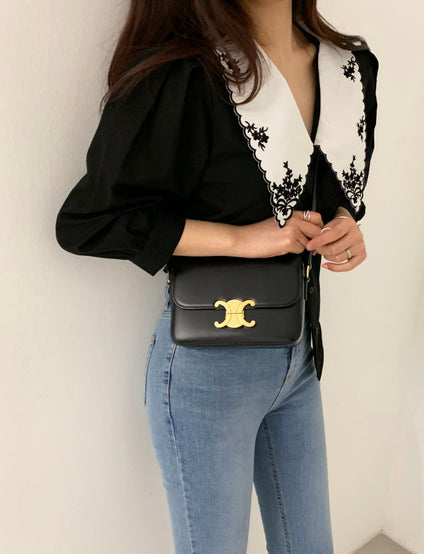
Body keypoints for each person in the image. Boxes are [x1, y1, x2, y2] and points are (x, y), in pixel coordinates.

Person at [55, 1, 379, 552]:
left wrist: (345, 225)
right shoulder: (185, 75)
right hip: (209, 369)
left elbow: (338, 193)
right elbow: (91, 221)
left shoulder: (349, 68)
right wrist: (242, 240)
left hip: (299, 354)